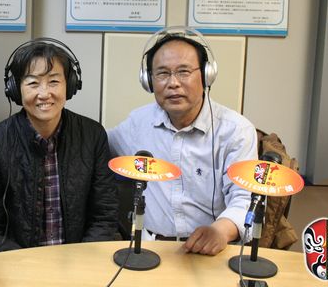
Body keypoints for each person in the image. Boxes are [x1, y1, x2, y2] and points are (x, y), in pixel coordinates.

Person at [107, 27, 257, 256]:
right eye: (162, 73)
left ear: (206, 75)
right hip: (150, 249)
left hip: (213, 251)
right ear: (148, 81)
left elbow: (245, 199)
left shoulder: (236, 131)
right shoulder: (138, 123)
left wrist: (221, 230)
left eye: (184, 72)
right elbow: (95, 144)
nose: (173, 83)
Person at [0, 38, 118, 253]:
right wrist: (25, 264)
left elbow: (105, 215)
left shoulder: (93, 136)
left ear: (70, 85)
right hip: (18, 263)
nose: (44, 93)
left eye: (53, 82)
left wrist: (81, 260)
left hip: (80, 260)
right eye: (33, 83)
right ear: (15, 89)